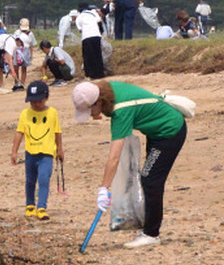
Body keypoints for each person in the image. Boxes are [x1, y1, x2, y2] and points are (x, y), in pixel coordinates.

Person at [72, 80, 188, 248]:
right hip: (156, 132)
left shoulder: (121, 111)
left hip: (170, 131)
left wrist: (103, 188)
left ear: (99, 101)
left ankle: (151, 234)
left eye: (90, 110)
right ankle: (148, 227)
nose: (90, 115)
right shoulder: (107, 90)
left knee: (150, 180)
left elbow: (114, 157)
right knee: (148, 178)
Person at [10, 80, 63, 221]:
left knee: (44, 179)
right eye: (32, 102)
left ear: (46, 98)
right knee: (30, 180)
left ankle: (41, 207)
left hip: (46, 153)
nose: (35, 104)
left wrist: (59, 150)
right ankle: (30, 205)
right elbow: (19, 132)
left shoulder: (52, 113)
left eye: (38, 101)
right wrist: (14, 151)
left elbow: (57, 132)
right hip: (30, 153)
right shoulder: (25, 114)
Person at [75, 3, 106, 79]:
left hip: (86, 37)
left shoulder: (79, 17)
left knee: (88, 57)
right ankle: (100, 74)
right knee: (97, 55)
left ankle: (90, 74)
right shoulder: (93, 13)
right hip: (96, 36)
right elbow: (99, 21)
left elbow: (80, 29)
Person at [12, 18, 38, 89]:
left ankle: (21, 84)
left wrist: (31, 55)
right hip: (19, 50)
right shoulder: (17, 32)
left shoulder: (30, 34)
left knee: (23, 68)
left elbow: (31, 46)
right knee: (16, 68)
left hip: (24, 50)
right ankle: (16, 83)